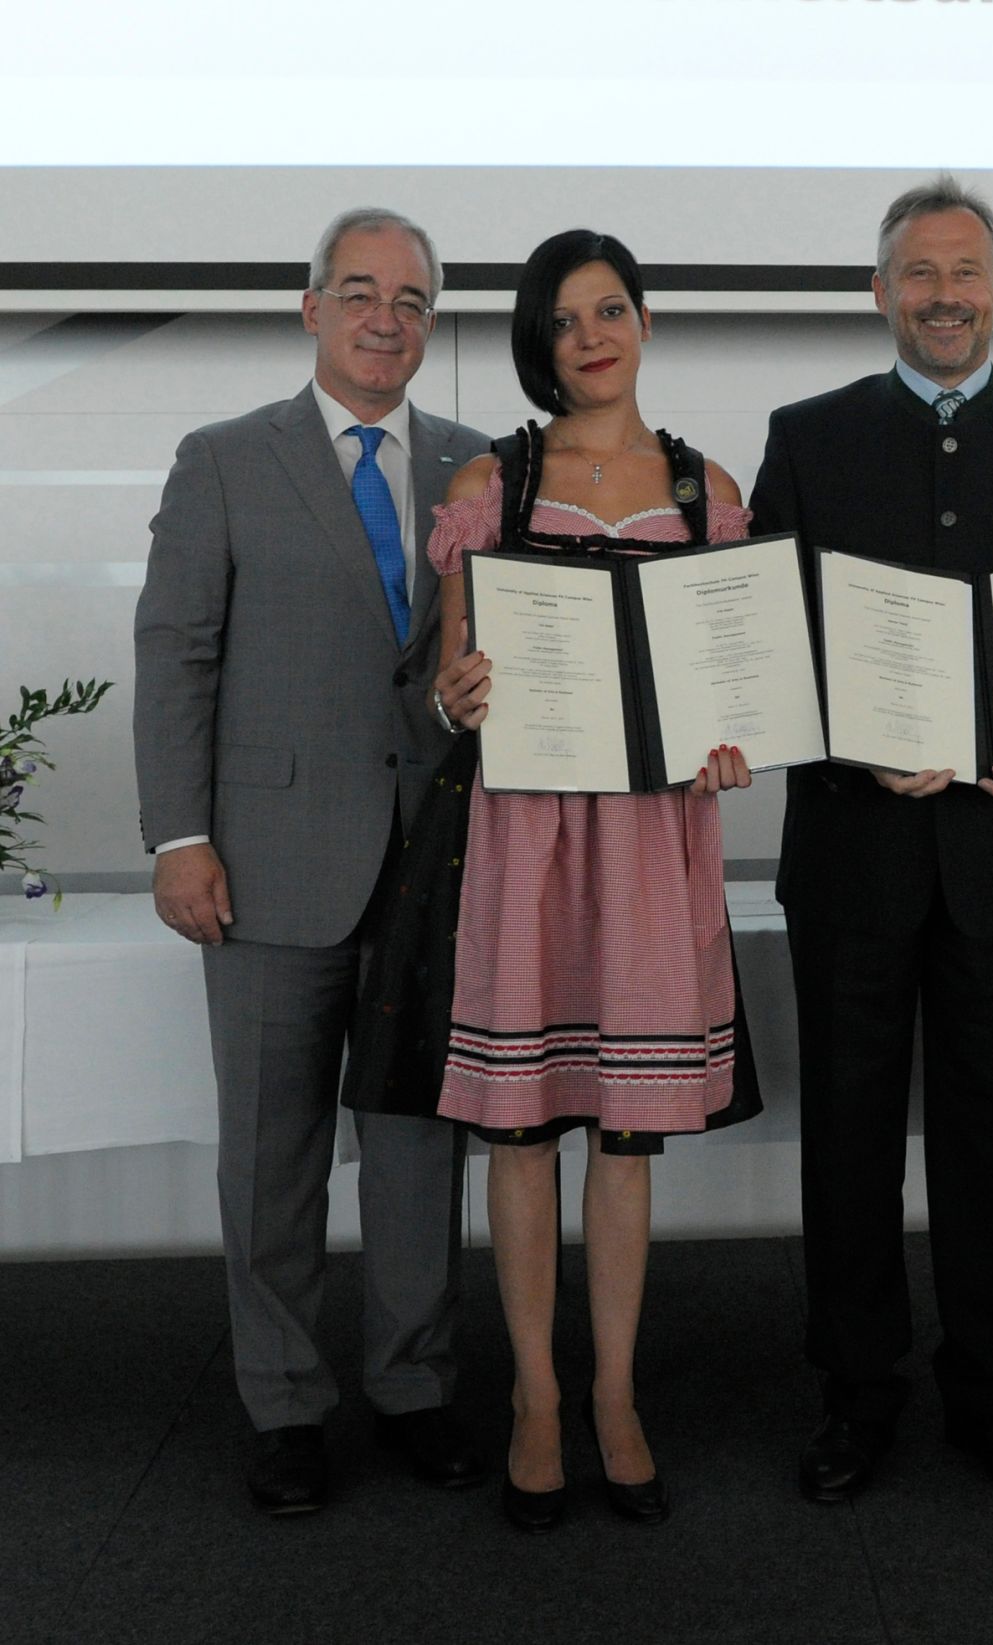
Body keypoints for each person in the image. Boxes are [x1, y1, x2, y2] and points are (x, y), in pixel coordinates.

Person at [749, 176, 993, 1500]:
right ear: (879, 293)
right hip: (855, 849)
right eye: (920, 273)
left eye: (968, 272)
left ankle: (991, 1393)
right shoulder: (807, 435)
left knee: (989, 1142)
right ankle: (856, 1396)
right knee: (845, 1142)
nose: (946, 294)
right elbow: (768, 650)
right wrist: (856, 742)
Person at [133, 208, 490, 1513]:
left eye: (409, 296)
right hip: (267, 866)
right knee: (272, 1156)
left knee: (415, 1151)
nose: (385, 316)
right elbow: (178, 654)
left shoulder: (473, 470)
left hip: (433, 867)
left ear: (430, 320)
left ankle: (415, 1387)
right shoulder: (226, 460)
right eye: (359, 291)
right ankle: (284, 1408)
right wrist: (179, 836)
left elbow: (466, 672)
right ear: (311, 308)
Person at [418, 229, 761, 1533]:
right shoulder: (488, 482)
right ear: (537, 341)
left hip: (652, 844)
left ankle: (615, 1392)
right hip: (528, 838)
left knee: (625, 1134)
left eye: (610, 308)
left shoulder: (704, 487)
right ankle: (535, 1399)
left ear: (645, 319)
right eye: (564, 320)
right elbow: (461, 683)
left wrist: (735, 739)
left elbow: (734, 690)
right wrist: (462, 695)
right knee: (519, 1130)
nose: (592, 335)